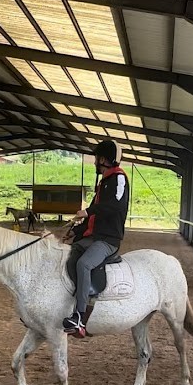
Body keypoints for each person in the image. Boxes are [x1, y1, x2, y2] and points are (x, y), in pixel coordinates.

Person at [62, 139, 130, 337]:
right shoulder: (103, 183)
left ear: (104, 159)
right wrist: (75, 232)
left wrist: (88, 210)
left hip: (108, 240)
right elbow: (92, 218)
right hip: (93, 237)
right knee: (68, 255)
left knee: (84, 264)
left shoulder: (119, 178)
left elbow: (115, 207)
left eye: (96, 158)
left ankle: (80, 317)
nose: (94, 163)